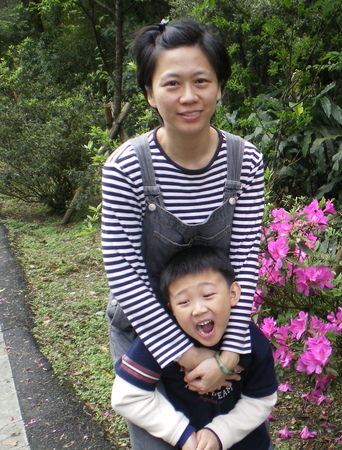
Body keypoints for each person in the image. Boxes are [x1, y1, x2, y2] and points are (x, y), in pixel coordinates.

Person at [102, 18, 264, 448]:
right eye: (172, 84)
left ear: (220, 86)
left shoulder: (245, 161)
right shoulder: (126, 167)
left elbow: (246, 258)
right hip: (145, 332)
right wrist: (191, 356)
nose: (189, 96)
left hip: (219, 324)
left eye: (201, 81)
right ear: (150, 94)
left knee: (231, 437)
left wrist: (228, 356)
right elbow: (125, 273)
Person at [111, 246, 277, 450]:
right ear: (170, 308)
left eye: (207, 295)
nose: (198, 309)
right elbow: (126, 397)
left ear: (233, 293)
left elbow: (261, 399)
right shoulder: (160, 339)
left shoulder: (252, 340)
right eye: (183, 301)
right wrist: (180, 433)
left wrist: (221, 433)